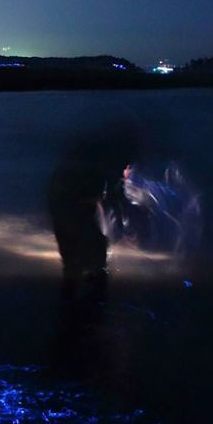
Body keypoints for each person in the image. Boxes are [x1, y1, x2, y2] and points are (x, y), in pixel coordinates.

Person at [47, 120, 141, 295]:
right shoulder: (106, 160)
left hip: (64, 199)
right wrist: (122, 224)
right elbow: (114, 192)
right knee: (92, 249)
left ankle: (76, 295)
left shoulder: (89, 156)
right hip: (71, 200)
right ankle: (91, 294)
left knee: (74, 254)